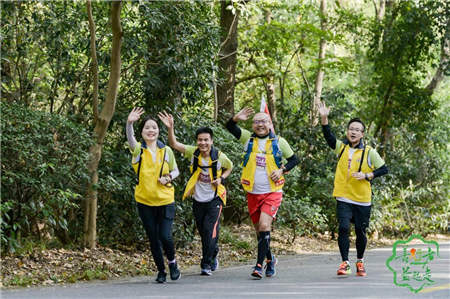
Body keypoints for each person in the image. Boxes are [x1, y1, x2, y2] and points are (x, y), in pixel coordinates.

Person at [225, 107, 299, 279]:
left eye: (263, 121)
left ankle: (259, 266)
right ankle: (270, 259)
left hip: (273, 191)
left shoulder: (279, 142)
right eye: (256, 122)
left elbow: (295, 159)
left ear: (270, 124)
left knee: (265, 226)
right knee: (260, 232)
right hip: (253, 192)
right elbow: (230, 127)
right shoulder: (247, 139)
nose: (260, 125)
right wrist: (236, 118)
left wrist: (282, 170)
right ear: (253, 125)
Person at [318, 101, 388, 277]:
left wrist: (367, 175)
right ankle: (345, 263)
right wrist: (324, 118)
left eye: (357, 129)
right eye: (351, 129)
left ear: (362, 134)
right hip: (343, 196)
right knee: (342, 228)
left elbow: (384, 169)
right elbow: (328, 137)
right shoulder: (341, 148)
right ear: (347, 132)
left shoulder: (370, 152)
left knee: (360, 231)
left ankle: (360, 261)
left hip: (362, 199)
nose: (353, 131)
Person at [158, 111, 233, 276]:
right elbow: (174, 144)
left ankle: (205, 264)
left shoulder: (220, 157)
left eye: (206, 140)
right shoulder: (193, 152)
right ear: (197, 141)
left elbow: (230, 167)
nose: (203, 143)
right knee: (203, 231)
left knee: (209, 230)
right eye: (200, 140)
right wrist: (171, 128)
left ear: (211, 141)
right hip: (198, 199)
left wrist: (221, 178)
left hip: (215, 198)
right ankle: (213, 253)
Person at [126, 107, 181, 283]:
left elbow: (176, 171)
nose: (151, 130)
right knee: (153, 238)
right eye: (147, 128)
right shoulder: (138, 151)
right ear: (142, 132)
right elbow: (131, 139)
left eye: (154, 128)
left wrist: (168, 177)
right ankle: (161, 270)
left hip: (165, 200)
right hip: (144, 201)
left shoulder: (166, 151)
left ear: (158, 132)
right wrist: (129, 123)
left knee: (165, 235)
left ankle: (172, 263)